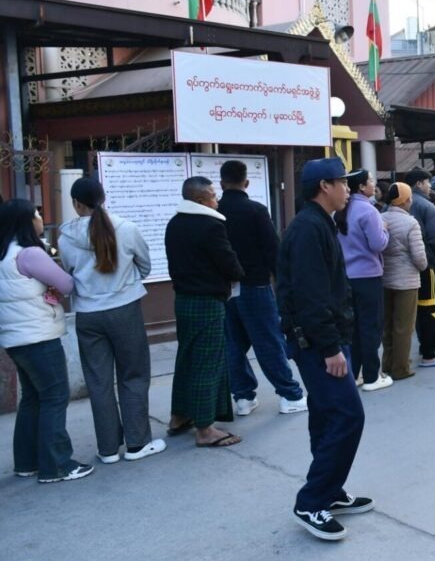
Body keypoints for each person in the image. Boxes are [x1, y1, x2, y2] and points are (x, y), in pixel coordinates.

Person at [277, 158, 374, 541]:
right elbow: (311, 296)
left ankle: (329, 491)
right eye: (342, 182)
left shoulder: (319, 224)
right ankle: (311, 501)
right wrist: (331, 347)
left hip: (328, 339)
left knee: (326, 417)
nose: (348, 189)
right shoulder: (307, 230)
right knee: (349, 417)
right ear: (323, 187)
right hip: (319, 344)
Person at [59, 177, 164, 464]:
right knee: (133, 376)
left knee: (98, 382)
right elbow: (144, 265)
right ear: (103, 198)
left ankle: (107, 449)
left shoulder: (65, 235)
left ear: (76, 204)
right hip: (124, 309)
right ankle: (137, 443)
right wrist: (124, 284)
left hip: (87, 315)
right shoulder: (126, 228)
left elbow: (67, 271)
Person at [0, 199, 93, 483]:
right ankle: (57, 464)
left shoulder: (4, 254)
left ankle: (27, 462)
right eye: (37, 213)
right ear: (26, 221)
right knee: (54, 397)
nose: (40, 217)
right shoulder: (30, 253)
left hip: (15, 338)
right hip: (39, 336)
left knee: (32, 398)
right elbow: (66, 284)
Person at [217, 160, 307, 415]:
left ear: (222, 183)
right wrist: (282, 284)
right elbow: (272, 250)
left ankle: (243, 397)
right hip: (255, 284)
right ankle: (290, 395)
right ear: (246, 182)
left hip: (225, 289)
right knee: (268, 341)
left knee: (233, 343)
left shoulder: (215, 211)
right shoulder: (256, 210)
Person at [164, 176, 244, 448]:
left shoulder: (174, 223)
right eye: (212, 195)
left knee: (186, 359)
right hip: (208, 301)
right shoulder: (211, 225)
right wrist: (238, 273)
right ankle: (205, 428)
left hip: (183, 299)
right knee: (207, 364)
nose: (217, 199)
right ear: (200, 200)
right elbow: (229, 263)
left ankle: (179, 416)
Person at [381, 183, 435, 371]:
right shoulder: (411, 223)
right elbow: (420, 258)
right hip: (407, 281)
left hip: (385, 279)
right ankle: (401, 367)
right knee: (403, 326)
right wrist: (424, 267)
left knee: (388, 324)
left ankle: (386, 364)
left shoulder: (381, 218)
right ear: (405, 200)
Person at [337, 170, 391, 392]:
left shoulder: (342, 210)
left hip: (347, 276)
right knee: (371, 327)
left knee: (354, 328)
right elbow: (378, 244)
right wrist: (385, 231)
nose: (373, 183)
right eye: (370, 181)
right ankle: (371, 376)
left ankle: (356, 372)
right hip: (368, 275)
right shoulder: (368, 210)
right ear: (360, 186)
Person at [403, 168, 435, 362]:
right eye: (427, 182)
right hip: (431, 264)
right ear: (419, 184)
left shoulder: (393, 207)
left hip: (408, 266)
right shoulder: (428, 207)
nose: (429, 186)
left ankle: (425, 343)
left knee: (419, 309)